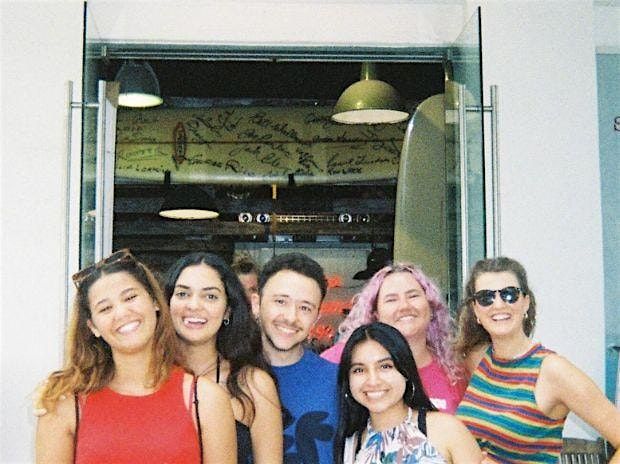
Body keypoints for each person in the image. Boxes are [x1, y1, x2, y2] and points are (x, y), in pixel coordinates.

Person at [35, 249, 236, 463]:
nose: (122, 313)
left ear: (155, 301)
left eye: (130, 297)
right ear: (93, 327)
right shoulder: (64, 402)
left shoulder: (206, 399)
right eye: (105, 308)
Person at [455, 256, 620, 464]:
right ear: (475, 310)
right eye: (485, 297)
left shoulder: (552, 370)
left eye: (509, 294)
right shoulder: (478, 360)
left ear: (526, 302)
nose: (498, 304)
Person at [165, 252, 283, 464]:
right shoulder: (149, 378)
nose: (194, 305)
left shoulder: (253, 384)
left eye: (210, 296)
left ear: (228, 310)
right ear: (167, 303)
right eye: (183, 294)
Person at [321, 263, 467, 414]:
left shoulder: (454, 372)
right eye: (391, 299)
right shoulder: (340, 359)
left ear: (431, 307)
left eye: (413, 296)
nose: (404, 306)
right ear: (375, 313)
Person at [334, 322, 483, 464]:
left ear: (405, 371)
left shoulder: (447, 430)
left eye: (385, 366)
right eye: (359, 370)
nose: (373, 381)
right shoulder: (350, 444)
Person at [251, 252, 339, 464]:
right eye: (281, 301)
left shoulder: (339, 380)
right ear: (256, 303)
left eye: (305, 308)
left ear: (317, 317)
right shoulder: (229, 376)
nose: (291, 317)